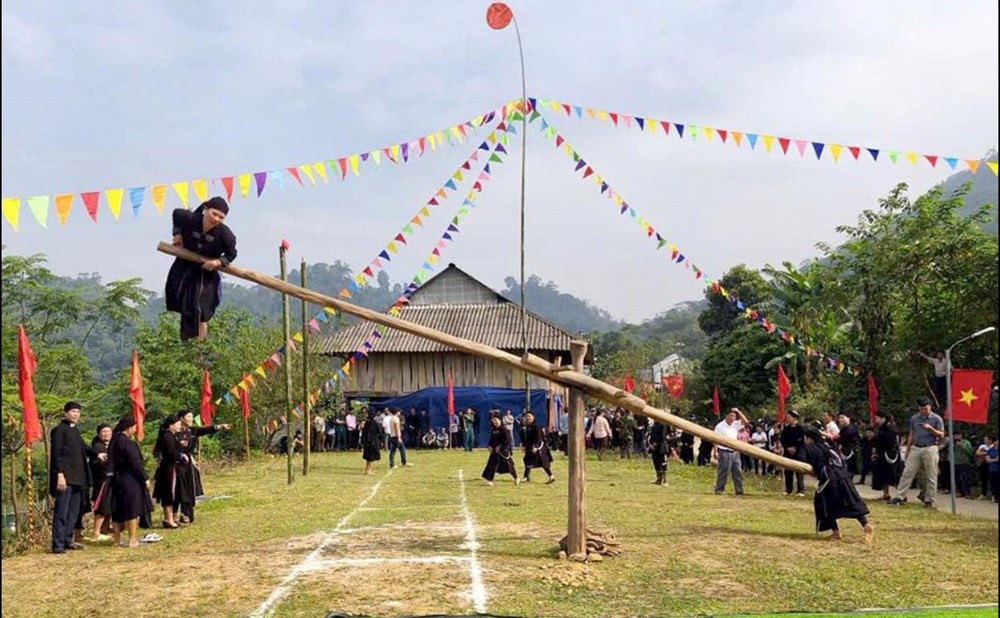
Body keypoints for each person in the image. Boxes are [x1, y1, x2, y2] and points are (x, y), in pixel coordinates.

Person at [164, 196, 237, 340]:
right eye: (214, 214)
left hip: (206, 273)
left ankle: (199, 346)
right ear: (206, 209)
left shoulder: (226, 235)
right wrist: (177, 234)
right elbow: (177, 213)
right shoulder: (191, 219)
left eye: (221, 217)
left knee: (201, 310)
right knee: (183, 303)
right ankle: (187, 344)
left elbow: (231, 254)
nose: (216, 219)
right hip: (184, 266)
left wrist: (217, 262)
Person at [801, 427, 874, 544]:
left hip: (829, 479)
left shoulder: (810, 447)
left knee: (824, 504)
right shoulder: (829, 445)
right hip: (844, 476)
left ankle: (836, 531)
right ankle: (865, 525)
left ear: (808, 438)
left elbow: (803, 460)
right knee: (851, 502)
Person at [49, 401, 99, 554]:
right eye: (73, 411)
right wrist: (59, 474)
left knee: (73, 512)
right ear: (65, 413)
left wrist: (98, 454)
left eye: (78, 412)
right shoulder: (59, 430)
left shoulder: (75, 430)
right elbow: (56, 454)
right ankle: (58, 544)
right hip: (65, 477)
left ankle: (68, 540)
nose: (76, 414)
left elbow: (84, 448)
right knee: (62, 511)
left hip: (78, 477)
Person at [174, 409, 230, 524]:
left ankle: (186, 514)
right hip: (176, 465)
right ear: (181, 418)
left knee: (189, 489)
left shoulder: (192, 430)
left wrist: (219, 427)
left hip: (188, 464)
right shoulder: (174, 432)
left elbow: (205, 430)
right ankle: (172, 515)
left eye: (192, 416)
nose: (191, 419)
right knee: (178, 490)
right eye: (188, 417)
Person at [891, 396, 945, 508]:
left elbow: (941, 434)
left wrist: (931, 429)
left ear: (930, 407)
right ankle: (900, 496)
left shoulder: (936, 419)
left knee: (931, 475)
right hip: (916, 447)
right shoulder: (915, 418)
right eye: (921, 409)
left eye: (925, 409)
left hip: (930, 447)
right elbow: (912, 433)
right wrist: (908, 449)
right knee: (907, 472)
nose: (923, 411)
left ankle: (930, 500)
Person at [108, 415, 152, 549]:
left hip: (116, 479)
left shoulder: (113, 441)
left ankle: (117, 540)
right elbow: (135, 463)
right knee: (132, 509)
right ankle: (132, 539)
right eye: (134, 427)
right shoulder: (128, 443)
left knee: (117, 509)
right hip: (130, 478)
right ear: (129, 428)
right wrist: (145, 478)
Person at [152, 415, 185, 529]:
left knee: (170, 492)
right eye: (178, 424)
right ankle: (169, 519)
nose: (180, 426)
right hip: (169, 468)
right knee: (168, 493)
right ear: (171, 425)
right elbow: (171, 453)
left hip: (170, 467)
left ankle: (169, 518)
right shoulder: (167, 436)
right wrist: (181, 456)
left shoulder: (172, 435)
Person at [712, 408, 749, 496]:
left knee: (737, 471)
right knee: (723, 471)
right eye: (731, 416)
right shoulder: (720, 426)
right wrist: (715, 451)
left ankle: (739, 491)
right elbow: (715, 439)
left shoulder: (735, 424)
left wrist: (738, 411)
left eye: (734, 416)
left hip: (735, 452)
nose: (733, 418)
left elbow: (746, 422)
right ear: (726, 416)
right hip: (724, 451)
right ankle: (719, 489)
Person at [88, 424, 114, 541]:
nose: (106, 434)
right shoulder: (97, 447)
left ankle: (105, 528)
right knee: (102, 506)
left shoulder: (110, 445)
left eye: (108, 431)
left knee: (108, 505)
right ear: (99, 434)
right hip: (102, 481)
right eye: (104, 432)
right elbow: (95, 464)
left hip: (110, 480)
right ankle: (96, 533)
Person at [871, 411, 903, 501]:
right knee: (883, 474)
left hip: (890, 454)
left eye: (877, 418)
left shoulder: (890, 427)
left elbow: (893, 441)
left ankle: (901, 494)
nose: (876, 420)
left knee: (893, 475)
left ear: (883, 418)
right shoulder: (879, 427)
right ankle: (886, 494)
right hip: (881, 454)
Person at [482, 416, 519, 486]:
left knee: (509, 465)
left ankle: (516, 477)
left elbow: (508, 440)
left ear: (500, 420)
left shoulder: (505, 430)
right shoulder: (493, 430)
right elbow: (491, 439)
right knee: (492, 465)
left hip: (503, 452)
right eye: (493, 420)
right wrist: (490, 446)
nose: (495, 422)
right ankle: (489, 479)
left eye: (496, 420)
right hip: (494, 452)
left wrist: (500, 447)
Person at [521, 412, 555, 484]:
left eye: (529, 416)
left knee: (542, 462)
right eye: (526, 416)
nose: (528, 418)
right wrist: (524, 446)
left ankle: (551, 476)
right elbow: (527, 439)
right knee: (527, 461)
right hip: (529, 447)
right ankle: (526, 477)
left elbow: (539, 438)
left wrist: (536, 447)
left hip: (538, 448)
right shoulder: (527, 427)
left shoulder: (536, 427)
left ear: (533, 417)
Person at [780, 411, 806, 497]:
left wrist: (795, 448)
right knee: (788, 471)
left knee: (799, 471)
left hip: (798, 452)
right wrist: (787, 447)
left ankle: (800, 490)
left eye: (789, 417)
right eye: (787, 418)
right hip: (788, 452)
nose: (787, 419)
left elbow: (803, 440)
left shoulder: (801, 428)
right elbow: (782, 439)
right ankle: (788, 490)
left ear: (795, 418)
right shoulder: (786, 429)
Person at [951, 431, 974, 499]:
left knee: (965, 478)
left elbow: (970, 452)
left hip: (965, 462)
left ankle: (967, 493)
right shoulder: (953, 443)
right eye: (954, 435)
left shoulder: (966, 443)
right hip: (956, 462)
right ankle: (959, 492)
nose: (955, 437)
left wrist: (962, 447)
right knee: (957, 478)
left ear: (961, 435)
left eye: (957, 435)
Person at [836, 413, 860, 478]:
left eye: (842, 417)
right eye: (839, 418)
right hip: (844, 452)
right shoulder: (843, 429)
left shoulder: (851, 429)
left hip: (849, 454)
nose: (840, 419)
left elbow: (856, 442)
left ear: (848, 418)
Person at [360, 410, 382, 475]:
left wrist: (362, 441)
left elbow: (364, 433)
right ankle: (368, 470)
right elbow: (380, 432)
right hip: (373, 441)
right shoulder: (375, 423)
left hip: (367, 441)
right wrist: (381, 440)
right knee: (371, 456)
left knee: (368, 456)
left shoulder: (367, 423)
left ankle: (367, 469)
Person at [648, 421, 670, 486]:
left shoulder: (663, 425)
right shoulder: (654, 426)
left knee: (663, 464)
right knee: (656, 463)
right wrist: (650, 444)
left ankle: (665, 481)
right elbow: (652, 436)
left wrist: (656, 444)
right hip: (654, 448)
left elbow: (662, 436)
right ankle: (658, 479)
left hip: (661, 447)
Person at [986, 436, 999, 504]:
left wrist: (992, 459)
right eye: (996, 441)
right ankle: (994, 496)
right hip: (993, 469)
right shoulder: (990, 450)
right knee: (993, 483)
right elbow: (987, 460)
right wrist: (995, 460)